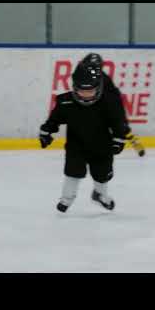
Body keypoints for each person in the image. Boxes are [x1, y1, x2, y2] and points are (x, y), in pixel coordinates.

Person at [39, 61, 132, 213]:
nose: (86, 94)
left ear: (99, 87)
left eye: (91, 91)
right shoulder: (65, 102)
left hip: (102, 146)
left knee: (102, 175)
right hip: (76, 146)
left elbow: (117, 123)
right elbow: (54, 120)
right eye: (82, 90)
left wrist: (118, 140)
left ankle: (100, 195)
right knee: (72, 172)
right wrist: (46, 133)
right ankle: (67, 198)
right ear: (75, 87)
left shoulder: (109, 102)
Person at [81, 53, 145, 157]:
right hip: (108, 104)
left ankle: (135, 142)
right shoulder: (93, 77)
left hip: (113, 105)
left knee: (122, 127)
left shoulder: (100, 78)